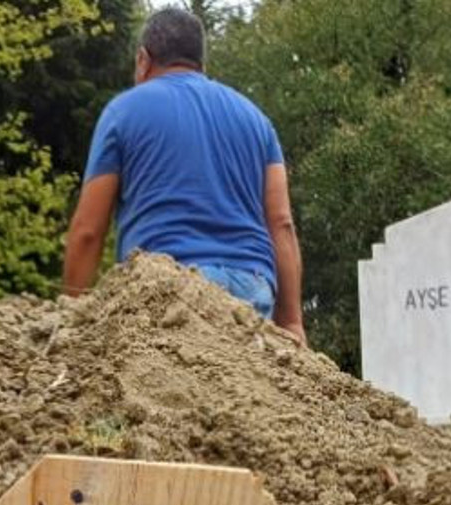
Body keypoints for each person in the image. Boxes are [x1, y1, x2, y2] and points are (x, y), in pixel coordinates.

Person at [61, 7, 305, 346]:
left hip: (164, 289)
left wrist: (70, 321)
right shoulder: (256, 120)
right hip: (250, 290)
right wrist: (291, 322)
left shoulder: (123, 112)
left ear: (143, 60)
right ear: (201, 64)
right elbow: (281, 223)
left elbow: (89, 231)